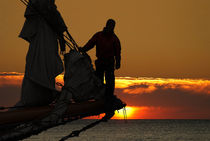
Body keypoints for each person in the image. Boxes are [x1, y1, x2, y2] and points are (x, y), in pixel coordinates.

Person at [16, 0, 67, 107]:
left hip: (46, 34)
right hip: (42, 34)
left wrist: (61, 34)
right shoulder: (41, 9)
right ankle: (37, 95)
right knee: (39, 62)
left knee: (45, 62)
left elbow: (53, 15)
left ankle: (43, 94)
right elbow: (47, 11)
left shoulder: (49, 10)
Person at [79, 19, 121, 119]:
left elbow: (118, 52)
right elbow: (90, 44)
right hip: (100, 62)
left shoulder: (115, 39)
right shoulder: (98, 36)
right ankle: (100, 100)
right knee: (98, 82)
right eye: (110, 25)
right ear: (107, 25)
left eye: (112, 26)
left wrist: (118, 62)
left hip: (110, 63)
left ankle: (108, 102)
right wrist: (83, 49)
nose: (111, 27)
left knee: (110, 84)